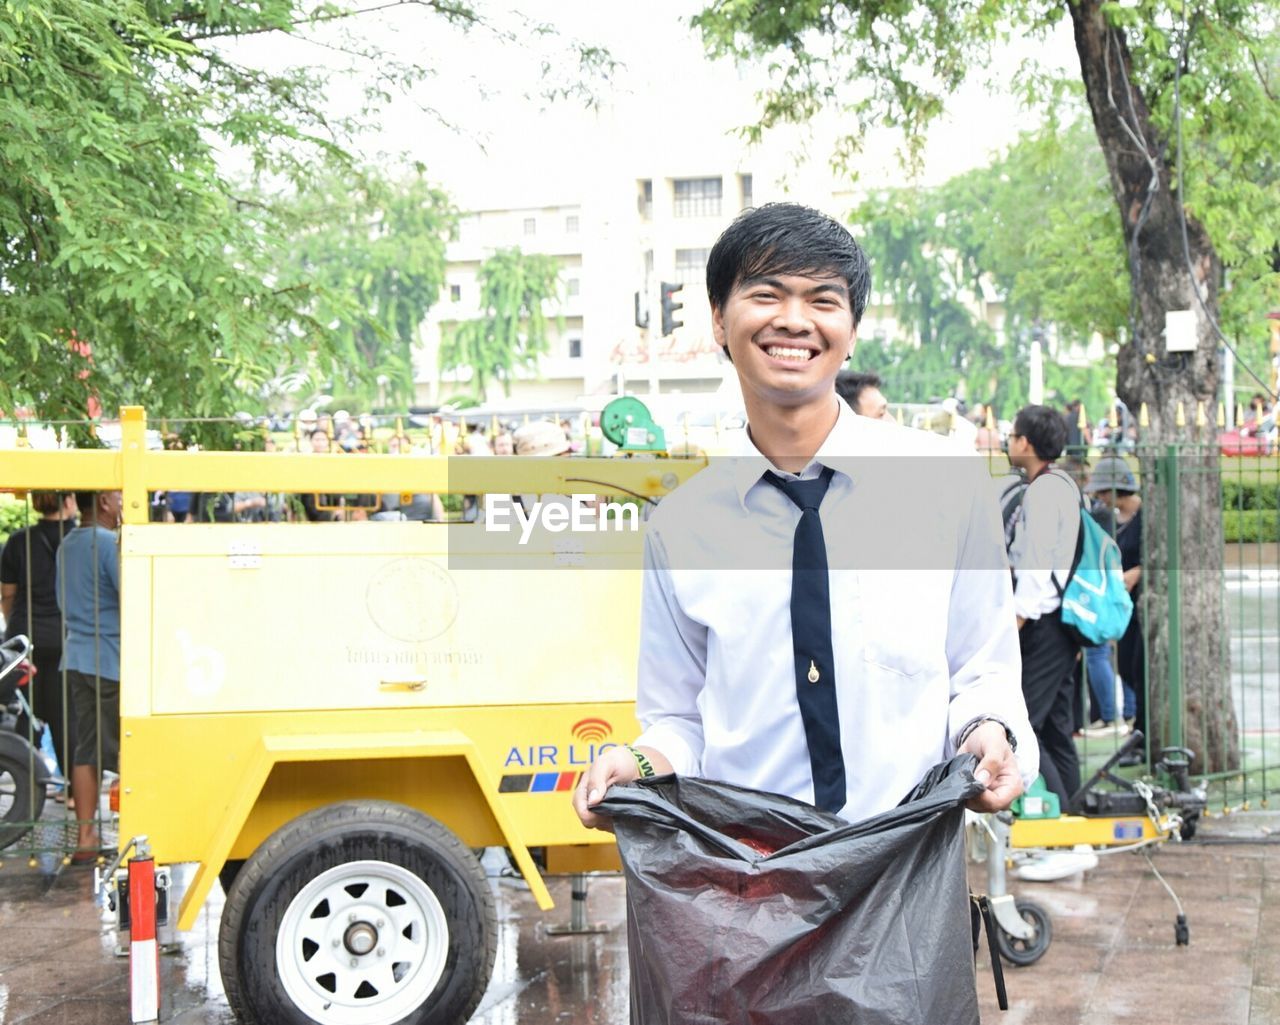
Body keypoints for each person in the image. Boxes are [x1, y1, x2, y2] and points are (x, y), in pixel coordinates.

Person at [574, 202, 1037, 836]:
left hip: (906, 868)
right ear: (718, 318)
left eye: (823, 300)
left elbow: (983, 671)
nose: (794, 320)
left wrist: (989, 733)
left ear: (851, 328)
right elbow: (679, 720)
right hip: (747, 878)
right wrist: (636, 764)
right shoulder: (681, 529)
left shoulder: (946, 485)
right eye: (767, 294)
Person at [1005, 405, 1084, 809]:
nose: (1008, 441)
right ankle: (1075, 817)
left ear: (1026, 443)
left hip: (1043, 623)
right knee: (1056, 727)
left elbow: (1036, 565)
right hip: (1059, 622)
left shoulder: (1043, 490)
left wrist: (1014, 622)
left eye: (1013, 434)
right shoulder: (1062, 484)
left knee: (1027, 724)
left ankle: (1060, 816)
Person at [56, 490, 123, 862]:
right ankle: (135, 834)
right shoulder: (107, 544)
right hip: (110, 660)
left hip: (77, 656)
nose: (123, 501)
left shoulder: (67, 545)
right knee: (125, 751)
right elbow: (132, 594)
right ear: (102, 501)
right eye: (118, 495)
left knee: (87, 748)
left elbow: (61, 599)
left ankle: (85, 835)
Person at [1, 491, 79, 780]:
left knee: (26, 711)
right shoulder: (78, 539)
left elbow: (7, 594)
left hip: (26, 637)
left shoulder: (19, 540)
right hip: (65, 636)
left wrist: (17, 626)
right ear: (69, 501)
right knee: (65, 714)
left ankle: (25, 781)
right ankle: (73, 790)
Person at [1085, 456, 1143, 760]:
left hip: (1140, 601)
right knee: (1125, 666)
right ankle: (1136, 729)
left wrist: (1138, 572)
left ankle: (1136, 729)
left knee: (1136, 665)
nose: (1099, 498)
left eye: (1103, 491)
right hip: (1119, 602)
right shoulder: (1111, 518)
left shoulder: (1144, 515)